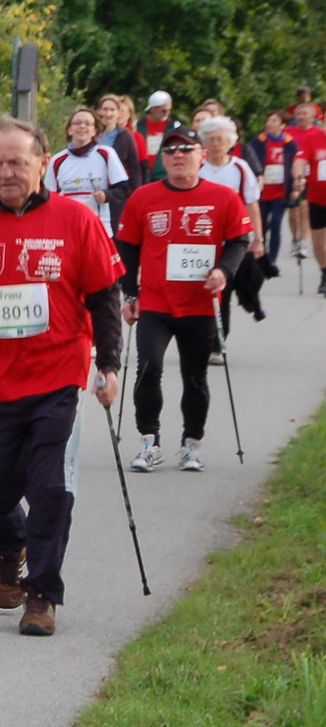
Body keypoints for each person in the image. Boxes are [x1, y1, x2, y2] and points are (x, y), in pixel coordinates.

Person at [0, 116, 125, 637]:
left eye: (17, 161)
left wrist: (108, 364)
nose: (7, 172)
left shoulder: (77, 221)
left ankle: (42, 594)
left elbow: (105, 298)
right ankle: (10, 546)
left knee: (50, 487)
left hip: (57, 378)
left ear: (43, 162)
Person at [116, 127, 251, 473]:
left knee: (195, 377)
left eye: (187, 150)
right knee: (148, 370)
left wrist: (224, 270)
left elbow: (239, 241)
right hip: (156, 304)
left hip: (200, 304)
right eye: (171, 151)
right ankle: (149, 441)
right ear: (163, 159)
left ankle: (191, 444)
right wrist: (129, 293)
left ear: (202, 156)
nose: (178, 156)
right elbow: (127, 249)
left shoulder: (223, 198)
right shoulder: (143, 198)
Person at [197, 115, 265, 345]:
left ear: (230, 142)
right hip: (204, 240)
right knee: (214, 294)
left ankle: (218, 341)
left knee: (226, 289)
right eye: (211, 139)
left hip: (235, 240)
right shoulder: (198, 168)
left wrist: (258, 238)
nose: (216, 144)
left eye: (220, 139)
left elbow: (251, 203)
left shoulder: (240, 168)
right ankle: (210, 338)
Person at [43, 107, 129, 236]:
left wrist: (106, 195)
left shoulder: (106, 154)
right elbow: (48, 198)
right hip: (67, 230)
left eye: (87, 123)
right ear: (69, 130)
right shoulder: (57, 160)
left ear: (94, 131)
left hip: (99, 230)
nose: (82, 126)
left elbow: (123, 189)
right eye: (77, 123)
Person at [251, 110, 303, 259]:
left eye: (274, 121)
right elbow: (251, 160)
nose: (269, 123)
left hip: (280, 190)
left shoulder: (289, 142)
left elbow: (296, 164)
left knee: (275, 223)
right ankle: (260, 254)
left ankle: (272, 258)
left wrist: (295, 187)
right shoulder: (259, 140)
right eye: (269, 120)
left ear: (283, 125)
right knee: (261, 224)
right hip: (262, 190)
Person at [289, 102, 326, 293]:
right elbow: (299, 161)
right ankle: (325, 272)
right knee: (319, 242)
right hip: (318, 199)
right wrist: (299, 177)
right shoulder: (313, 138)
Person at [135, 91, 185, 182]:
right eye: (163, 110)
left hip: (164, 176)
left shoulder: (175, 126)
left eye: (169, 110)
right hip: (141, 174)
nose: (166, 113)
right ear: (152, 109)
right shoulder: (138, 125)